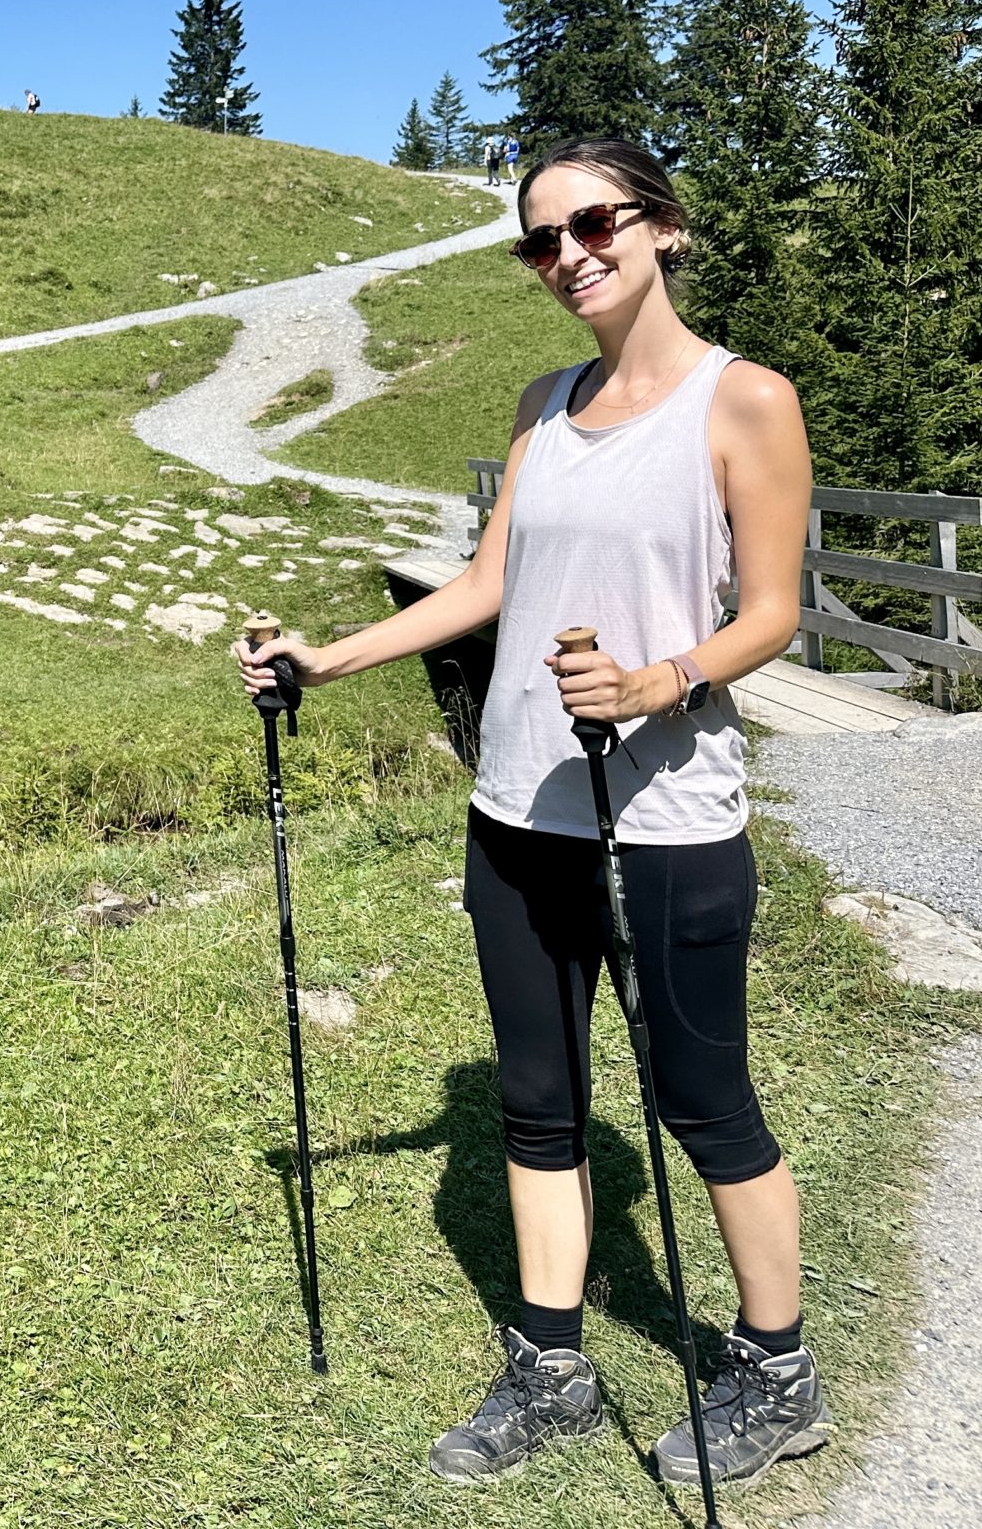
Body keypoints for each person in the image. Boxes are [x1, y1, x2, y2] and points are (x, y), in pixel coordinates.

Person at [237, 137, 831, 1495]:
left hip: (668, 816)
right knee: (536, 1101)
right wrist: (331, 657)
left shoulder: (745, 403)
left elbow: (775, 613)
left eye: (593, 224)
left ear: (663, 226)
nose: (569, 254)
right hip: (517, 808)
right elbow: (486, 581)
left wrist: (657, 680)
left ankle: (779, 1371)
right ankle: (553, 1369)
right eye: (541, 241)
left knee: (704, 1100)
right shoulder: (542, 404)